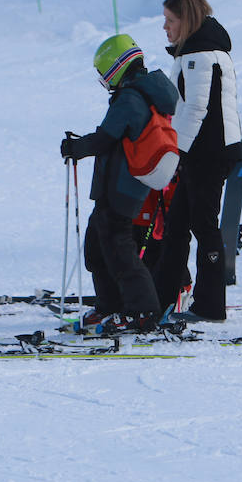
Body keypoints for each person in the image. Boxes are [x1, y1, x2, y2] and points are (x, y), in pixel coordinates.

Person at [60, 34, 179, 333]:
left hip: (121, 188)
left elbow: (105, 139)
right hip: (117, 187)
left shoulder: (131, 98)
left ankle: (142, 311)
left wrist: (76, 148)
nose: (104, 82)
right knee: (98, 248)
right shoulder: (138, 94)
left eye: (104, 75)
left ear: (115, 68)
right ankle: (109, 305)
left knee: (118, 250)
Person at [152, 0, 242, 322]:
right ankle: (161, 297)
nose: (165, 27)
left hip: (209, 151)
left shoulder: (201, 53)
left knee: (203, 226)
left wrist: (175, 152)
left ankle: (210, 305)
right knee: (177, 226)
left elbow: (195, 109)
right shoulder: (197, 49)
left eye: (170, 20)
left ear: (186, 20)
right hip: (202, 149)